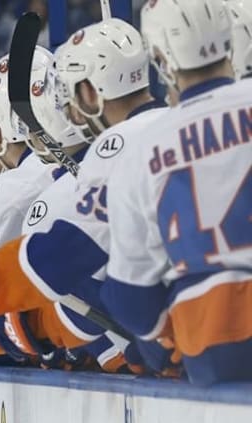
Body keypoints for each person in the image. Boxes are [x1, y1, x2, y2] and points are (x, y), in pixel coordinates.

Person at [103, 0, 252, 385]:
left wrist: (160, 339)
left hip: (213, 339)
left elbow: (128, 296)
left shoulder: (140, 150)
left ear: (161, 58)